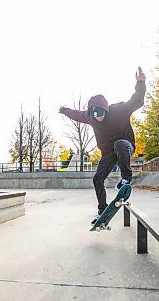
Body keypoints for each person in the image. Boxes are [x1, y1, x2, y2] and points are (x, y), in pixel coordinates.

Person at [59, 66, 146, 224]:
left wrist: (141, 83)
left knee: (120, 144)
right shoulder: (90, 117)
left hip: (125, 146)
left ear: (106, 109)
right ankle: (102, 210)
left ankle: (126, 178)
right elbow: (77, 114)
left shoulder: (119, 110)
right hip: (108, 154)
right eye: (93, 114)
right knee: (97, 178)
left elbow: (137, 101)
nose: (97, 117)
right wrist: (65, 110)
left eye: (99, 113)